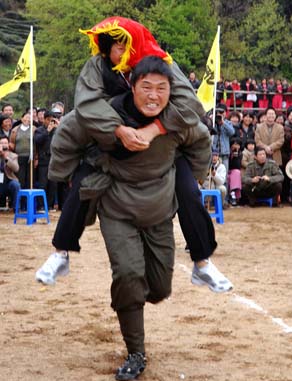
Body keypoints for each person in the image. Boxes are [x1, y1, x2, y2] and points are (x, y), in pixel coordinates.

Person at [35, 16, 232, 294]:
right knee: (81, 185)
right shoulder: (98, 66)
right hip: (110, 143)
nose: (116, 53)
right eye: (111, 47)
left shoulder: (160, 61)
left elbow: (190, 105)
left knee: (189, 191)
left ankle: (202, 263)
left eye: (121, 46)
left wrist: (156, 128)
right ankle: (61, 253)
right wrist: (117, 130)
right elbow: (86, 106)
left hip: (162, 143)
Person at [95, 56, 211, 381]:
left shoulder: (177, 120)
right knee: (130, 274)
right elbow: (82, 133)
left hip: (158, 210)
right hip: (117, 208)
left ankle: (127, 297)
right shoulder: (110, 112)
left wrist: (193, 180)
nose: (153, 95)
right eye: (146, 86)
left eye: (162, 88)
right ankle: (136, 351)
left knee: (159, 288)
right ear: (132, 86)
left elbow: (200, 137)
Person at [34, 110, 59, 210]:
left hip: (54, 160)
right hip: (43, 160)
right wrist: (47, 131)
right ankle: (41, 205)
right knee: (43, 184)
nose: (50, 122)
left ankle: (50, 205)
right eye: (48, 120)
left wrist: (58, 127)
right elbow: (37, 140)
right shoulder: (39, 130)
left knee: (53, 184)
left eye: (52, 120)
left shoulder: (57, 130)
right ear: (44, 120)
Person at [0, 135, 20, 211]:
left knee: (16, 185)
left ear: (8, 144)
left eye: (5, 143)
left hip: (8, 182)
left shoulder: (13, 155)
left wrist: (6, 158)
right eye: (1, 143)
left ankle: (16, 208)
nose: (4, 145)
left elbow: (16, 169)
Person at [228, 137, 242, 206]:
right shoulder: (227, 153)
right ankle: (232, 195)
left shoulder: (240, 154)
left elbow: (237, 166)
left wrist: (235, 156)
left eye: (238, 144)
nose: (236, 146)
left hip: (234, 171)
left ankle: (234, 196)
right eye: (235, 144)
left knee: (237, 172)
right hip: (227, 170)